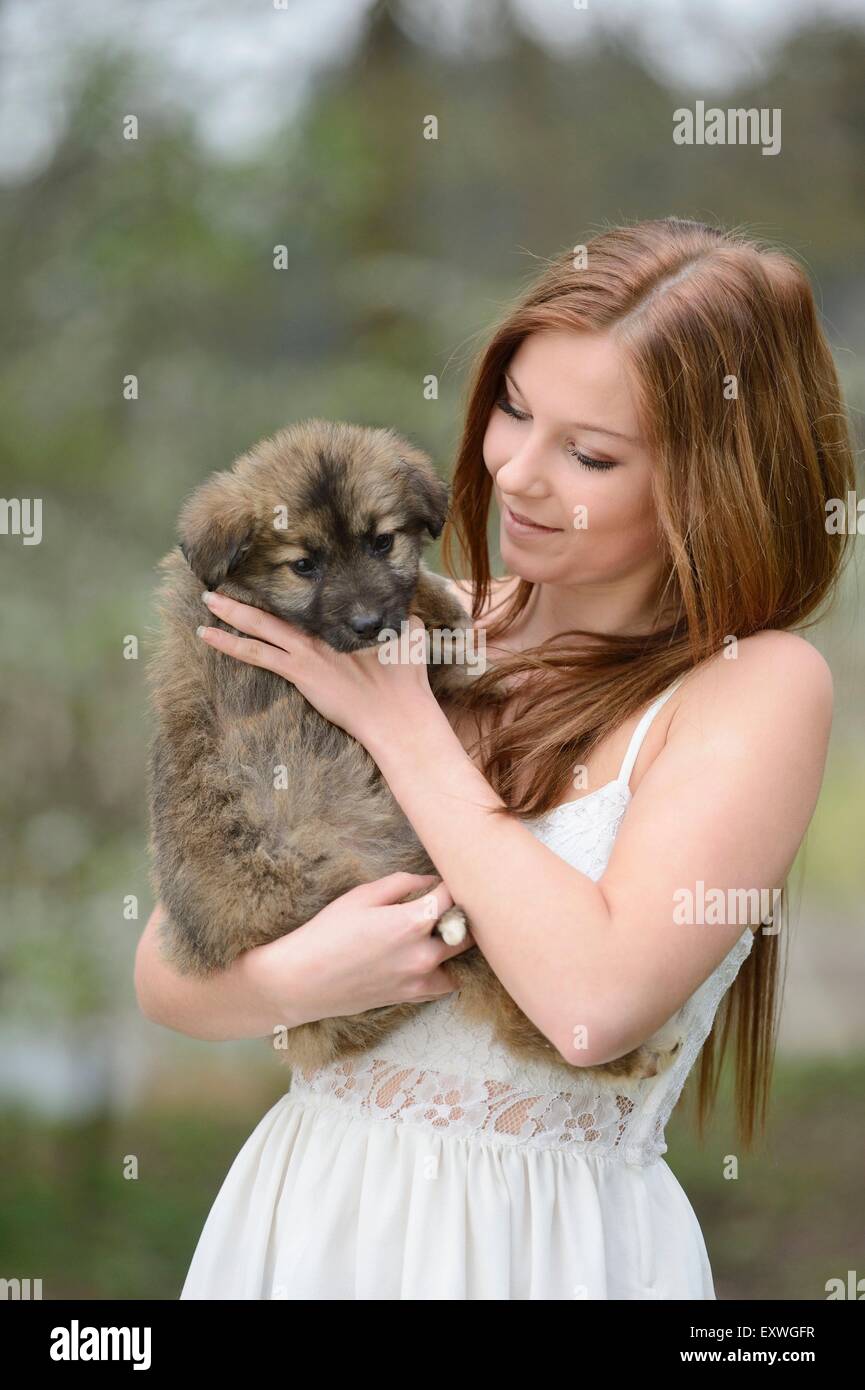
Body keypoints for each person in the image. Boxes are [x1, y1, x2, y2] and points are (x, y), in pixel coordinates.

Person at [135, 217, 854, 1299]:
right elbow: (168, 968)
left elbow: (588, 1009)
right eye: (512, 410)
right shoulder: (403, 623)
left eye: (589, 452)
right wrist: (303, 977)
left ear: (713, 482)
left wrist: (401, 722)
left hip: (544, 1254)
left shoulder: (751, 688)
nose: (514, 472)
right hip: (308, 1225)